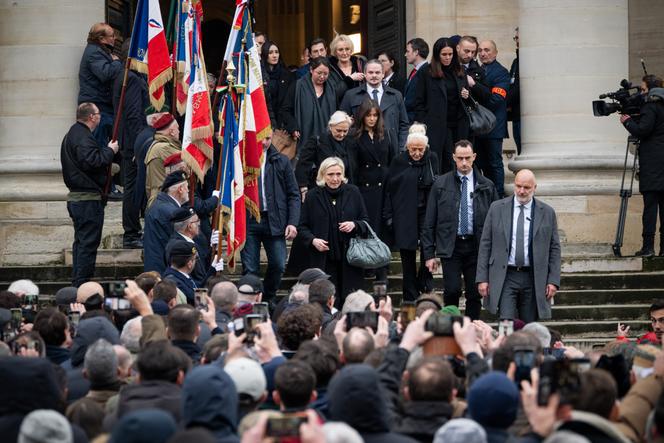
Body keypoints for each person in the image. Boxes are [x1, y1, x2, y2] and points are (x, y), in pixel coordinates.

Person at [422, 140, 499, 320]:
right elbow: (429, 220)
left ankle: (472, 328)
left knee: (474, 292)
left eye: (467, 158)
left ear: (474, 158)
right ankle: (450, 326)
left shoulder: (486, 185)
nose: (464, 163)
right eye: (460, 158)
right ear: (454, 158)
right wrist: (428, 253)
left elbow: (497, 221)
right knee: (452, 289)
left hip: (476, 246)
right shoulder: (441, 184)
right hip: (451, 245)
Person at [476, 169, 561, 323]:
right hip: (506, 274)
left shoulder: (547, 212)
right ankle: (505, 347)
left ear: (535, 187)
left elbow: (554, 248)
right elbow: (485, 244)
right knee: (506, 322)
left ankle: (526, 348)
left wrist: (553, 280)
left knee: (529, 325)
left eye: (527, 187)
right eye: (518, 186)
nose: (522, 191)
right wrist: (482, 278)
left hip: (533, 276)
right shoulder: (497, 208)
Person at [60, 102, 119, 286]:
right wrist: (110, 151)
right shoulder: (82, 136)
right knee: (87, 244)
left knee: (82, 243)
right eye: (98, 114)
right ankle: (82, 284)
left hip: (82, 199)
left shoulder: (75, 134)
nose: (100, 117)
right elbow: (92, 161)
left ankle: (79, 281)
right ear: (92, 117)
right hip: (87, 201)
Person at [296, 156, 369, 303]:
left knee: (351, 299)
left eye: (338, 174)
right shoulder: (312, 196)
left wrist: (354, 225)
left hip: (350, 257)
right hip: (323, 257)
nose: (335, 178)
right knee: (326, 299)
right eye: (330, 174)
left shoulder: (353, 192)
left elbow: (365, 221)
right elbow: (302, 227)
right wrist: (313, 240)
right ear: (322, 175)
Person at [240, 133, 300, 304]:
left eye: (268, 138)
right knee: (250, 268)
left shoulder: (281, 161)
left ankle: (267, 298)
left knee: (279, 264)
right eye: (261, 138)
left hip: (274, 220)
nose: (264, 142)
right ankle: (251, 302)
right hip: (250, 220)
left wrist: (292, 222)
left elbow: (293, 194)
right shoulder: (242, 159)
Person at [383, 124, 439, 301]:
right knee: (407, 254)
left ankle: (426, 284)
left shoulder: (432, 158)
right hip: (405, 212)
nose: (417, 153)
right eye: (413, 149)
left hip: (426, 211)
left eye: (420, 149)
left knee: (427, 250)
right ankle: (409, 292)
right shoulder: (399, 161)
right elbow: (390, 189)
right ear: (407, 147)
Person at [348, 99, 394, 283]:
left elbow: (390, 160)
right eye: (369, 115)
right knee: (368, 228)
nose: (372, 119)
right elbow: (353, 166)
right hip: (364, 189)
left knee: (383, 228)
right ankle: (369, 266)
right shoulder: (355, 136)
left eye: (375, 115)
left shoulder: (385, 134)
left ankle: (382, 267)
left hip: (384, 187)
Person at [414, 37, 471, 173]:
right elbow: (418, 101)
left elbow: (467, 97)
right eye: (444, 54)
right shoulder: (426, 72)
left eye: (450, 54)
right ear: (437, 54)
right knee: (439, 162)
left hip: (458, 124)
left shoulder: (460, 71)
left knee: (458, 161)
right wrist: (424, 123)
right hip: (436, 125)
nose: (447, 57)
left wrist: (466, 95)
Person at [113, 40, 149, 249]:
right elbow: (134, 115)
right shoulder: (132, 79)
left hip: (130, 141)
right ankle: (131, 233)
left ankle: (133, 230)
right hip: (133, 143)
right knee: (133, 189)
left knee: (133, 187)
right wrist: (138, 147)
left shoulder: (127, 76)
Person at [620, 84, 664, 256]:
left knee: (650, 209)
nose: (641, 93)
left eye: (643, 89)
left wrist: (627, 121)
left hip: (653, 167)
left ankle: (648, 247)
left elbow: (643, 130)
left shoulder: (651, 107)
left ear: (651, 91)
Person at [339, 59, 409, 154]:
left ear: (383, 74)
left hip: (390, 150)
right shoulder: (351, 95)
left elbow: (404, 124)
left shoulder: (396, 95)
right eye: (370, 72)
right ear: (365, 74)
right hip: (362, 150)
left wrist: (401, 148)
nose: (374, 75)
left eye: (377, 72)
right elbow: (341, 123)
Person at [475, 40, 510, 198]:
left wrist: (476, 94)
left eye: (487, 50)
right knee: (480, 163)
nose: (483, 53)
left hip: (494, 127)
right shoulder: (477, 69)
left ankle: (498, 195)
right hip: (478, 127)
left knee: (494, 164)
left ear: (495, 53)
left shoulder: (501, 72)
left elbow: (496, 98)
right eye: (480, 50)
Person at [77, 23, 122, 149]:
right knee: (99, 146)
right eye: (112, 35)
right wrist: (117, 62)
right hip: (98, 107)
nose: (115, 38)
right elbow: (105, 73)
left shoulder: (99, 51)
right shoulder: (94, 53)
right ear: (101, 39)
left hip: (102, 105)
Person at [286, 57, 338, 155]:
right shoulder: (297, 86)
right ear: (311, 70)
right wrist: (293, 127)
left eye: (325, 74)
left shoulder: (333, 88)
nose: (322, 77)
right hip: (303, 140)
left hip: (328, 143)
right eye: (319, 73)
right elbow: (285, 110)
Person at [296, 111, 356, 196]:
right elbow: (303, 165)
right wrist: (303, 188)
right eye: (338, 130)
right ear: (331, 126)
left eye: (345, 131)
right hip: (322, 191)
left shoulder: (350, 143)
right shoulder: (318, 142)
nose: (342, 134)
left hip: (345, 192)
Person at [143, 171, 190, 273]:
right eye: (187, 187)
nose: (189, 191)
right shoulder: (171, 212)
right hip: (163, 270)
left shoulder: (161, 204)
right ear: (180, 189)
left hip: (156, 265)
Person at [144, 114, 181, 208]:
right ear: (172, 132)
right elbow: (189, 164)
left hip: (158, 199)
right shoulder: (164, 148)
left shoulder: (157, 144)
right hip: (163, 201)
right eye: (177, 128)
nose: (179, 131)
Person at [261, 40, 297, 134]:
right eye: (270, 52)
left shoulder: (287, 75)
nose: (274, 55)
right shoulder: (259, 75)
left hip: (282, 124)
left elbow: (289, 103)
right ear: (265, 55)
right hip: (264, 121)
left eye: (277, 52)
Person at [163, 240, 199, 305]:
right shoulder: (173, 282)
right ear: (190, 264)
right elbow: (194, 298)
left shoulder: (180, 276)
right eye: (195, 259)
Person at [403, 38, 430, 123]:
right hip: (409, 119)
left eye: (408, 51)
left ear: (416, 52)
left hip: (417, 121)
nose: (405, 54)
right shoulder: (415, 71)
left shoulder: (427, 71)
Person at [507, 28, 521, 155]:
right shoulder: (516, 62)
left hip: (523, 117)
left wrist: (504, 103)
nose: (516, 41)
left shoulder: (525, 61)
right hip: (516, 116)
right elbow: (511, 86)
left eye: (518, 37)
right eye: (515, 38)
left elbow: (517, 88)